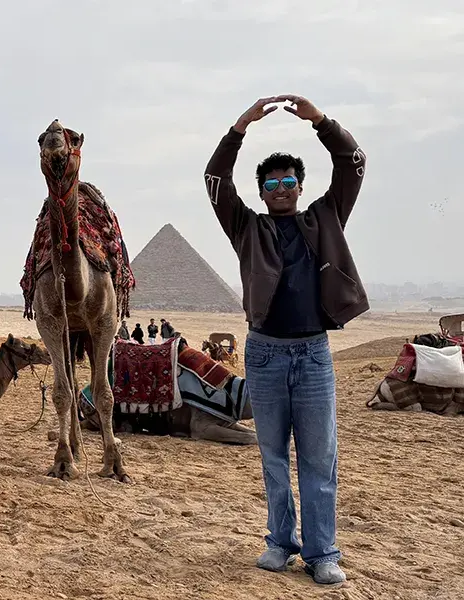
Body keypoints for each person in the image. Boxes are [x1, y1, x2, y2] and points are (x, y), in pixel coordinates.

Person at [204, 95, 367, 585]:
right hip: (266, 354)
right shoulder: (246, 227)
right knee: (273, 456)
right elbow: (215, 181)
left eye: (288, 181)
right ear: (261, 190)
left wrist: (321, 122)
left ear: (300, 186)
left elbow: (353, 165)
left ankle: (322, 554)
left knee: (319, 458)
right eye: (271, 183)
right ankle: (280, 543)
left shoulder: (325, 217)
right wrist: (239, 129)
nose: (280, 188)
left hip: (314, 354)